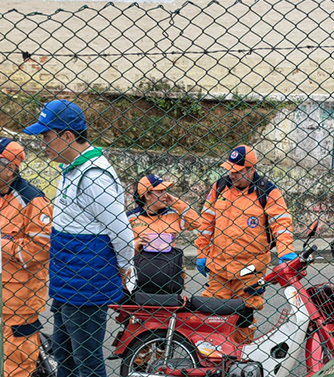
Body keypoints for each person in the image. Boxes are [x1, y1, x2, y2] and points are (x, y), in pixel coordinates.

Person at [22, 100, 134, 377]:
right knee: (66, 352)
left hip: (87, 277)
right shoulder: (72, 169)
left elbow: (120, 228)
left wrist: (125, 263)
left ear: (67, 135)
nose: (43, 143)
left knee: (87, 357)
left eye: (47, 136)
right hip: (69, 273)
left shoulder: (95, 175)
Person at [195, 145, 296, 343]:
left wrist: (286, 252)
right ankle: (215, 356)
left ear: (251, 169)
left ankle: (240, 355)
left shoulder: (267, 191)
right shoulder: (220, 186)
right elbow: (206, 222)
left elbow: (281, 223)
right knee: (213, 313)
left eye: (238, 171)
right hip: (218, 264)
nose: (232, 175)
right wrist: (201, 252)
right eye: (230, 170)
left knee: (245, 314)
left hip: (250, 267)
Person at [0, 138, 53, 377]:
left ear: (12, 168)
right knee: (13, 346)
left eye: (0, 165)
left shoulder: (31, 199)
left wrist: (1, 244)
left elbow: (40, 249)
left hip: (22, 290)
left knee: (17, 349)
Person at [126, 174, 199, 294]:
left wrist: (176, 203)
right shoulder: (131, 218)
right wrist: (137, 243)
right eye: (160, 191)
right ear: (147, 195)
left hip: (168, 274)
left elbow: (196, 223)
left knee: (166, 311)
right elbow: (120, 246)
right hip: (140, 274)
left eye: (165, 190)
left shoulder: (172, 215)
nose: (165, 195)